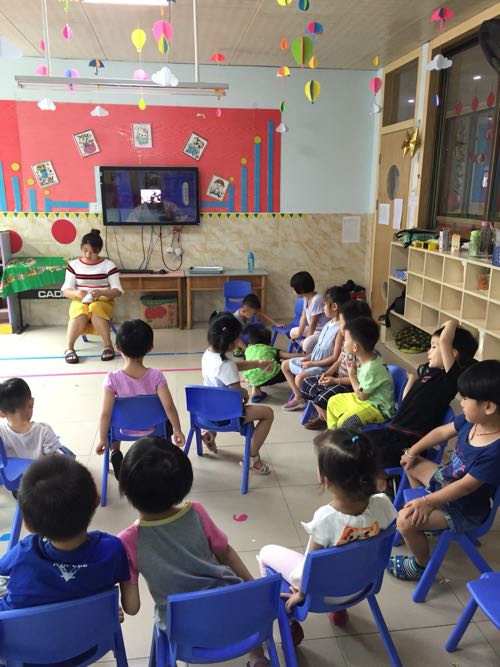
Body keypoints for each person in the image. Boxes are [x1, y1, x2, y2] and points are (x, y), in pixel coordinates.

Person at [118, 437, 271, 667]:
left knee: (163, 618)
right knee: (236, 593)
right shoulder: (196, 513)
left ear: (127, 491)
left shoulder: (127, 541)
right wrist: (252, 586)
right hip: (234, 611)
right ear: (183, 484)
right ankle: (257, 657)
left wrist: (122, 575)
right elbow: (226, 553)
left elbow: (132, 608)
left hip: (183, 632)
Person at [258, 429, 397, 627]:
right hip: (364, 584)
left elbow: (309, 567)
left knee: (266, 552)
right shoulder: (383, 503)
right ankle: (339, 612)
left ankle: (286, 618)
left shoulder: (325, 519)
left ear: (327, 480)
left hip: (323, 595)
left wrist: (301, 593)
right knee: (346, 555)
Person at [387, 360, 500, 582]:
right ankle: (426, 520)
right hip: (445, 480)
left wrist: (427, 501)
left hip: (465, 507)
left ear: (488, 407)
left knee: (404, 520)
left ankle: (420, 565)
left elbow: (465, 487)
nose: (462, 403)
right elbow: (441, 432)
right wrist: (413, 451)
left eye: (466, 398)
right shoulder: (472, 421)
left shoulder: (495, 450)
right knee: (410, 463)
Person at [0, 455, 131, 611]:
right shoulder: (112, 550)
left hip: (26, 626)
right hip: (94, 625)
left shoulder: (23, 552)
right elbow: (128, 604)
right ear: (96, 499)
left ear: (28, 526)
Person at [368, 320, 477, 482]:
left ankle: (384, 483)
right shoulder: (428, 374)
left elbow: (445, 340)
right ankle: (381, 480)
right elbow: (406, 402)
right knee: (357, 440)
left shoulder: (449, 380)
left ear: (452, 353)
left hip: (410, 442)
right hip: (392, 430)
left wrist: (452, 324)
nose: (428, 351)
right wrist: (411, 381)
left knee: (369, 454)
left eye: (433, 347)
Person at [96, 319, 185, 479]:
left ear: (118, 348)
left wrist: (103, 439)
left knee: (112, 422)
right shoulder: (156, 376)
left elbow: (105, 413)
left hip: (122, 430)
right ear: (150, 348)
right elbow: (169, 406)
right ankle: (157, 457)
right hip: (154, 430)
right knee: (164, 422)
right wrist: (177, 430)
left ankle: (115, 452)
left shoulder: (112, 379)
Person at [201, 312, 274, 474]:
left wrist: (258, 363)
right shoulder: (226, 365)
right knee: (268, 414)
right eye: (238, 338)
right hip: (226, 416)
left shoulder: (209, 354)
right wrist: (243, 392)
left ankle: (208, 433)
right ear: (231, 342)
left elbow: (232, 368)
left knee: (217, 396)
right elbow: (236, 397)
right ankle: (252, 458)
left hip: (205, 411)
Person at [300, 300, 373, 430]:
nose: (340, 325)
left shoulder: (361, 350)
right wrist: (327, 374)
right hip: (337, 378)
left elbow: (358, 380)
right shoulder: (347, 342)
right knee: (306, 383)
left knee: (321, 398)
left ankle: (333, 428)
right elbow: (339, 360)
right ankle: (324, 417)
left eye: (342, 322)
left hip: (350, 385)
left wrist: (335, 381)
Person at [281, 286, 350, 411]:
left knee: (300, 378)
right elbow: (319, 347)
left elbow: (335, 358)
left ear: (334, 306)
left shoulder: (340, 330)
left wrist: (312, 363)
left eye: (325, 304)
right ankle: (298, 396)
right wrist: (308, 357)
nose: (323, 308)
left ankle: (316, 408)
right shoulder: (328, 324)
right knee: (285, 365)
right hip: (314, 361)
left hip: (324, 367)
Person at [61, 229, 122, 364]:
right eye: (85, 250)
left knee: (95, 308)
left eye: (92, 252)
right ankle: (69, 348)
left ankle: (108, 346)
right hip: (80, 300)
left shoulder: (108, 265)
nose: (88, 255)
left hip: (103, 300)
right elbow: (66, 290)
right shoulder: (74, 265)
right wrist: (76, 293)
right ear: (81, 248)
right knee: (80, 310)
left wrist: (102, 293)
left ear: (99, 251)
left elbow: (117, 291)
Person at [326, 317, 394, 431]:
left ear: (355, 347)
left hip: (378, 408)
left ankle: (342, 439)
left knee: (346, 422)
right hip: (367, 400)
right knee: (333, 402)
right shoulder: (365, 358)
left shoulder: (371, 369)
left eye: (345, 340)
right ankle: (333, 434)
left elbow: (362, 396)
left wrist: (351, 374)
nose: (343, 342)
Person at [0, 377, 62, 459]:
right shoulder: (43, 430)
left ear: (1, 413)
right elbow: (55, 460)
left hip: (13, 468)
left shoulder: (1, 433)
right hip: (41, 468)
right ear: (31, 403)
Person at [241, 325, 301, 403]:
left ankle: (255, 388)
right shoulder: (269, 349)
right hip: (272, 376)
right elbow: (289, 356)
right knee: (287, 366)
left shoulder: (248, 350)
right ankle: (298, 392)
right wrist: (306, 356)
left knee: (254, 371)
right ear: (269, 341)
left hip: (251, 378)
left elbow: (246, 363)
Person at [289, 271, 329, 355]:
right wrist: (299, 334)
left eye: (294, 288)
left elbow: (313, 324)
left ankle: (308, 353)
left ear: (301, 289)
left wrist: (307, 338)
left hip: (322, 332)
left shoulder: (317, 300)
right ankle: (306, 348)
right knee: (292, 332)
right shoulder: (305, 298)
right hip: (315, 330)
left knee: (307, 343)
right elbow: (303, 317)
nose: (293, 290)